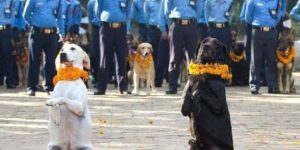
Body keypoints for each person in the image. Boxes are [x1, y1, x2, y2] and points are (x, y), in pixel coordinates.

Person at [23, 0, 65, 96]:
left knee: (51, 61)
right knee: (34, 60)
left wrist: (61, 33)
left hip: (52, 34)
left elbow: (59, 17)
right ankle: (32, 87)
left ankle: (50, 86)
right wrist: (35, 23)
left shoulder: (58, 1)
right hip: (37, 33)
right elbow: (26, 15)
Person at [245, 0, 283, 94]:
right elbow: (248, 18)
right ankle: (254, 85)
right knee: (256, 59)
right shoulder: (252, 1)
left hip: (271, 32)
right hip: (258, 32)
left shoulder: (276, 1)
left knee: (271, 59)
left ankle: (272, 86)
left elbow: (278, 16)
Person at [94, 0, 131, 95]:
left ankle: (123, 87)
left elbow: (128, 12)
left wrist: (128, 29)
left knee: (121, 57)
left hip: (121, 28)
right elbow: (97, 10)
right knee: (105, 58)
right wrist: (102, 22)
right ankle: (101, 87)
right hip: (106, 27)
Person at [164, 0, 201, 94]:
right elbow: (167, 9)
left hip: (191, 25)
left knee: (193, 56)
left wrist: (195, 21)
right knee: (174, 56)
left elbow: (199, 7)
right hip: (177, 25)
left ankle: (194, 86)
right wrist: (171, 23)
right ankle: (172, 86)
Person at [0, 0, 18, 89]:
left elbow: (14, 18)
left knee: (8, 56)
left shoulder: (11, 1)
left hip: (6, 31)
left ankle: (10, 81)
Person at [155, 0, 169, 87]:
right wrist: (163, 30)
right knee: (162, 56)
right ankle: (158, 80)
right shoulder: (164, 1)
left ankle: (171, 80)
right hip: (167, 29)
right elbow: (161, 16)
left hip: (178, 27)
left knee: (175, 56)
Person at [144, 0, 162, 68]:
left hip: (164, 31)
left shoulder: (165, 1)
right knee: (150, 52)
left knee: (162, 53)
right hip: (153, 30)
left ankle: (160, 75)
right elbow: (146, 17)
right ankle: (150, 73)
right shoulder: (148, 2)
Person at [88, 0, 100, 84]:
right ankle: (96, 77)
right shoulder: (91, 2)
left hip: (107, 28)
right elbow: (90, 18)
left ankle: (107, 76)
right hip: (96, 28)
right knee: (95, 53)